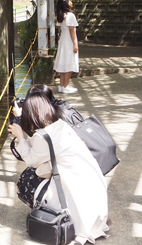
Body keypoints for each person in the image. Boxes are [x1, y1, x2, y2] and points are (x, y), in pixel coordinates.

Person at [8, 93, 109, 244]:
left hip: (79, 201)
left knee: (27, 179)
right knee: (40, 169)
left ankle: (52, 211)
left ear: (30, 115)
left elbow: (30, 160)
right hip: (95, 199)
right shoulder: (61, 125)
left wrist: (21, 137)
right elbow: (41, 150)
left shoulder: (43, 137)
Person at [54, 0, 79, 93]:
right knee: (69, 62)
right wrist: (75, 44)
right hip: (69, 41)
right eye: (69, 0)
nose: (71, 1)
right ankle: (66, 85)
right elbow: (72, 31)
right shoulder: (71, 15)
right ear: (66, 4)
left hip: (63, 41)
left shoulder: (61, 15)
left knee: (64, 62)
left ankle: (62, 85)